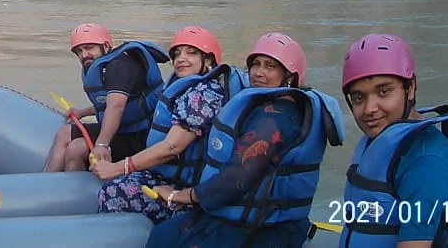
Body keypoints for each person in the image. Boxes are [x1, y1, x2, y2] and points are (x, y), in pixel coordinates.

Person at [145, 32, 345, 248]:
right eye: (256, 64)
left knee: (165, 240)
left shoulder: (277, 118)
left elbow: (236, 179)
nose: (258, 72)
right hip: (239, 214)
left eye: (270, 66)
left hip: (265, 227)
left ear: (289, 76)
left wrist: (178, 195)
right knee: (163, 236)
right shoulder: (263, 106)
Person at [337, 34, 448, 248]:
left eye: (384, 91)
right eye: (358, 98)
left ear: (410, 88)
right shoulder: (385, 138)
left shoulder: (427, 162)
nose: (369, 109)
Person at [95, 27, 247, 223]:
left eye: (191, 53)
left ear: (208, 60)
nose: (181, 58)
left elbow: (172, 147)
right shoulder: (186, 88)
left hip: (183, 187)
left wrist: (119, 167)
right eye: (177, 53)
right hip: (166, 175)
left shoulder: (204, 95)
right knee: (116, 186)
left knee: (114, 193)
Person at [44, 22, 170, 172]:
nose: (84, 55)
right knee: (64, 132)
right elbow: (108, 102)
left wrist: (102, 145)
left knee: (76, 149)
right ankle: (45, 180)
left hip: (141, 137)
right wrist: (82, 112)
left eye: (89, 48)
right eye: (79, 51)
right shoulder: (105, 66)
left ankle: (76, 192)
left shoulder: (121, 66)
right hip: (123, 130)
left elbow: (116, 106)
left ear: (106, 46)